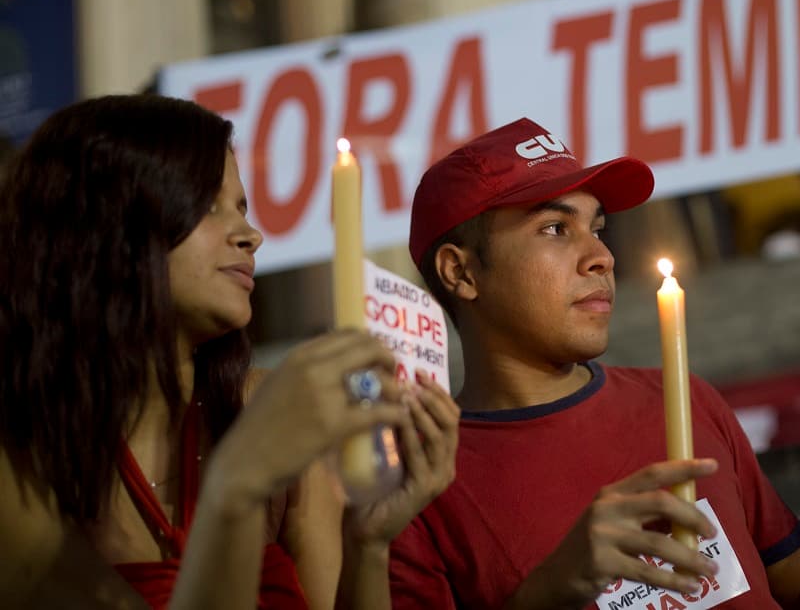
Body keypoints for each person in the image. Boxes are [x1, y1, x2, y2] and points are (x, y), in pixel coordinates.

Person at [0, 94, 459, 609]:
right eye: (206, 206)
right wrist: (240, 481)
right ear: (104, 226)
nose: (251, 235)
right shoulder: (20, 461)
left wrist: (368, 543)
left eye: (241, 207)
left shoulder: (262, 409)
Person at [389, 117, 800, 609]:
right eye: (555, 228)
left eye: (597, 229)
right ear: (459, 272)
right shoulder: (421, 482)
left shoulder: (685, 398)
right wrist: (548, 594)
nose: (602, 257)